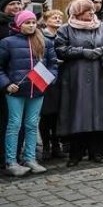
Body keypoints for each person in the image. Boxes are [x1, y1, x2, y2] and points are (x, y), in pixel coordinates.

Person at [55, 0, 103, 166]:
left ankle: (96, 152)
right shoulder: (66, 29)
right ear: (77, 13)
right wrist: (83, 52)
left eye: (92, 10)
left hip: (100, 77)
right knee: (77, 115)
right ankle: (75, 154)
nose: (92, 13)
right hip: (76, 77)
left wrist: (100, 50)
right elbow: (60, 49)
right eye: (87, 11)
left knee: (99, 114)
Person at [1, 10, 59, 176]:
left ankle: (30, 158)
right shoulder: (7, 42)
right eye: (27, 22)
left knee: (32, 125)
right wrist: (7, 84)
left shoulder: (45, 42)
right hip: (16, 92)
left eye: (34, 22)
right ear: (19, 24)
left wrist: (49, 80)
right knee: (14, 125)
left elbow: (53, 65)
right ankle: (11, 161)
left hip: (38, 90)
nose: (32, 25)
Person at [38, 9, 66, 160]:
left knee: (57, 115)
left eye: (60, 17)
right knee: (46, 114)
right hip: (45, 78)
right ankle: (46, 147)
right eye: (54, 16)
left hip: (62, 78)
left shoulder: (63, 36)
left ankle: (56, 145)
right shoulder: (40, 36)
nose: (57, 18)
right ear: (46, 19)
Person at [0, 0, 24, 167]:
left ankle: (15, 154)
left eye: (19, 4)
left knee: (18, 121)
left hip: (19, 81)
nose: (16, 7)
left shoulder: (23, 25)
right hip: (4, 81)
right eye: (12, 4)